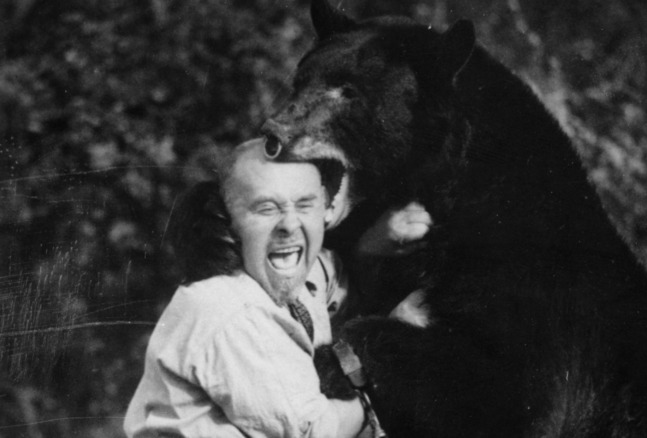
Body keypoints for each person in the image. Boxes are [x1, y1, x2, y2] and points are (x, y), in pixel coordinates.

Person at [124, 138, 431, 437]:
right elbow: (314, 431)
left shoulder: (290, 276)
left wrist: (369, 247)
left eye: (304, 205)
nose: (289, 224)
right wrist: (394, 337)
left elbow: (331, 281)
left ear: (325, 208)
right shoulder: (230, 309)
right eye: (267, 208)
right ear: (227, 222)